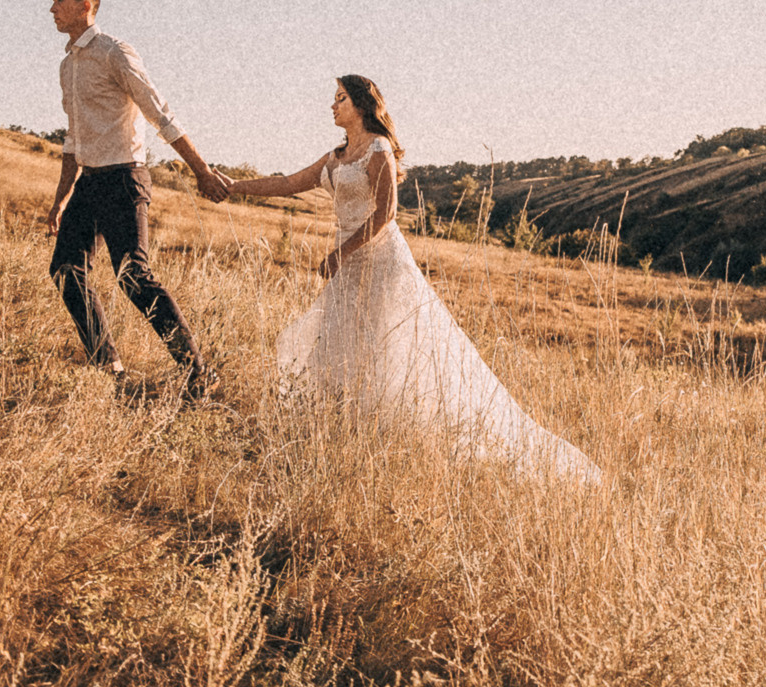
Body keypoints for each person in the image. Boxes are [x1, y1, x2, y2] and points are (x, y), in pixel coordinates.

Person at [223, 75, 601, 483]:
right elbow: (286, 184)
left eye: (340, 99)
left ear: (363, 105)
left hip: (379, 262)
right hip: (347, 265)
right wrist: (229, 187)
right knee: (340, 345)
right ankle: (344, 435)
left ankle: (388, 439)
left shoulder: (378, 150)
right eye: (334, 99)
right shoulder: (335, 157)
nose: (332, 106)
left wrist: (342, 251)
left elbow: (386, 213)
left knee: (385, 349)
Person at [46, 0, 228, 395]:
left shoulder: (114, 53)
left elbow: (159, 113)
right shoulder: (67, 65)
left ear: (85, 5)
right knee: (65, 269)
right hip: (88, 184)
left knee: (133, 276)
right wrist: (60, 200)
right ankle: (107, 365)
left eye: (59, 0)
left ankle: (198, 371)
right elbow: (73, 138)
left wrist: (201, 171)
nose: (51, 8)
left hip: (123, 178)